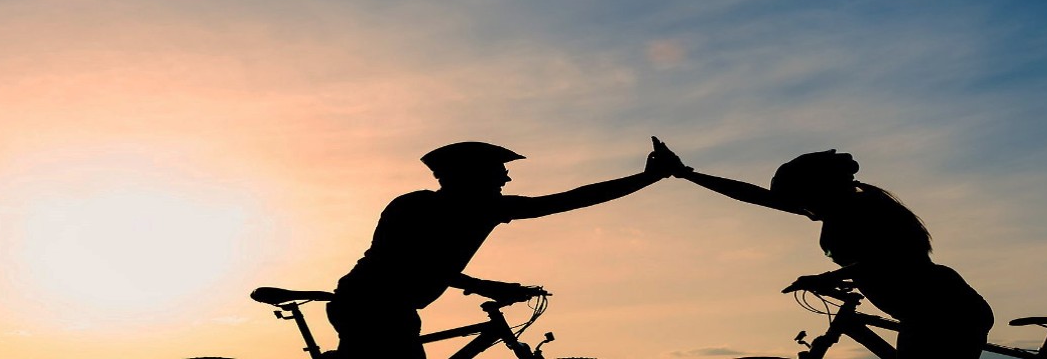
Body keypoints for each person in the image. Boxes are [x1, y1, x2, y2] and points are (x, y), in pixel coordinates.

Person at [328, 138, 688, 359]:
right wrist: (485, 286)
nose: (506, 177)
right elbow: (407, 265)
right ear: (470, 175)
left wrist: (647, 178)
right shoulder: (416, 206)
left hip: (386, 305)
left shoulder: (484, 208)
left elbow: (569, 200)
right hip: (370, 305)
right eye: (498, 171)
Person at [672, 149, 993, 359]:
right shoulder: (838, 209)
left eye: (804, 198)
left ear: (819, 190)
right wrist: (688, 174)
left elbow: (889, 259)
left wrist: (829, 276)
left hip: (945, 313)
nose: (804, 208)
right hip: (928, 313)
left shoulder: (866, 209)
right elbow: (756, 197)